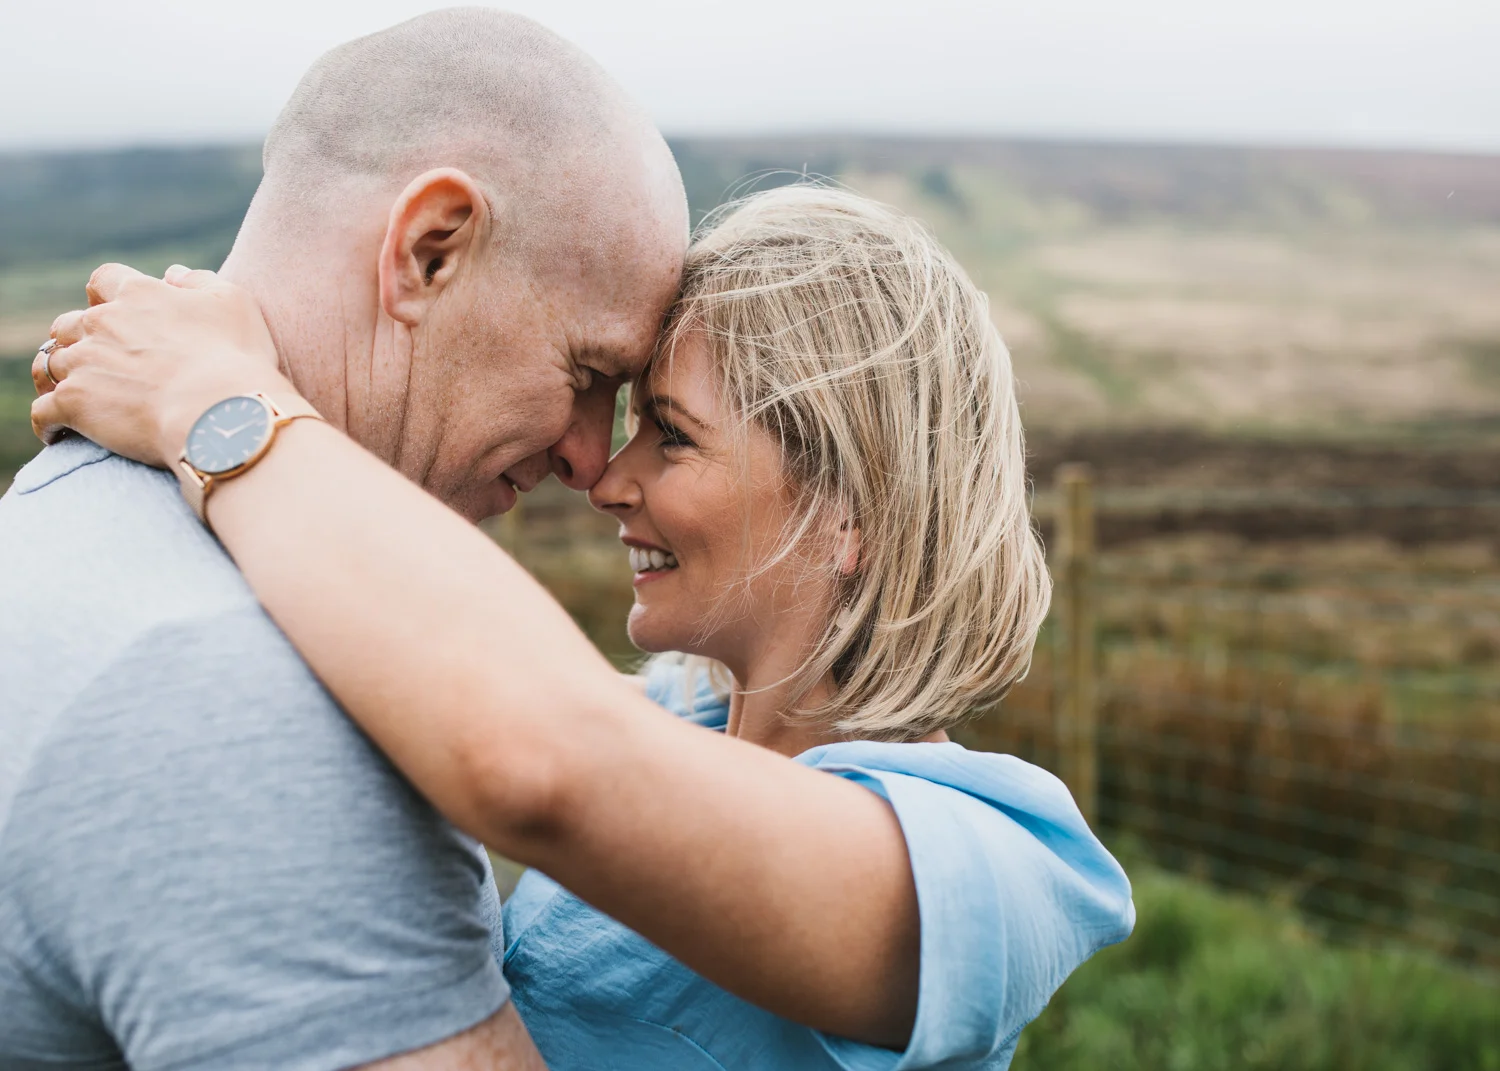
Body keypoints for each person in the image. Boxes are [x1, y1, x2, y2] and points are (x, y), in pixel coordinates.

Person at [33, 184, 1135, 1070]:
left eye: (673, 435)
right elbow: (428, 661)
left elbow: (534, 754)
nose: (608, 479)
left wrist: (216, 400)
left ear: (849, 511)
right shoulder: (680, 723)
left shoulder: (994, 872)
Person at [0, 9, 685, 1069]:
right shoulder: (242, 701)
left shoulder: (66, 520)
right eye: (588, 374)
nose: (591, 461)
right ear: (430, 250)